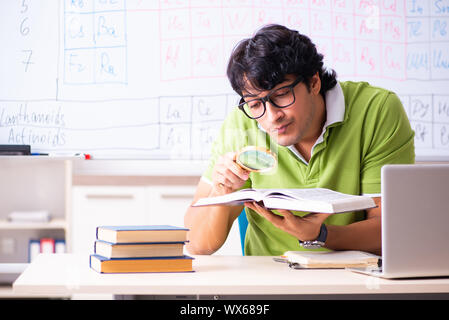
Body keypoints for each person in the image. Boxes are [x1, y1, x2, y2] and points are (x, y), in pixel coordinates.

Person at [184, 24, 415, 256]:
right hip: (269, 281)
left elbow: (390, 230)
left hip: (354, 278)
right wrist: (221, 191)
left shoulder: (376, 111)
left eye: (282, 94)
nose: (272, 116)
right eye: (255, 104)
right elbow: (195, 243)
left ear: (314, 82)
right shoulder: (243, 123)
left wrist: (320, 235)